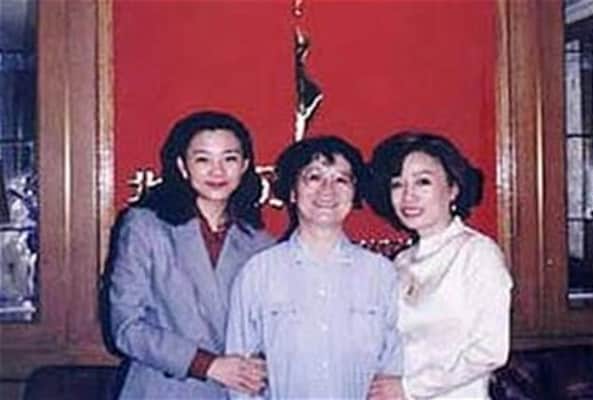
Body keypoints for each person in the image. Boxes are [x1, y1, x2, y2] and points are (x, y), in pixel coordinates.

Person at [107, 110, 274, 399]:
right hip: (163, 390)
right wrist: (207, 365)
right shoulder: (145, 227)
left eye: (229, 159)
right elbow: (126, 327)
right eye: (203, 160)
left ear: (245, 166)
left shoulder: (261, 244)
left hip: (236, 393)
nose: (217, 171)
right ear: (183, 167)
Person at [226, 136, 403, 399]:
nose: (327, 190)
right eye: (314, 177)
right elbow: (240, 379)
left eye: (341, 180)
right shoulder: (259, 272)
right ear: (292, 192)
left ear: (354, 192)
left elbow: (394, 365)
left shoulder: (381, 274)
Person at [367, 132, 513, 400]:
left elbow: (490, 351)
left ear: (453, 188)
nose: (408, 195)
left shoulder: (477, 253)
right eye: (398, 184)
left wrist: (410, 388)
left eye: (422, 182)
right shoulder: (402, 261)